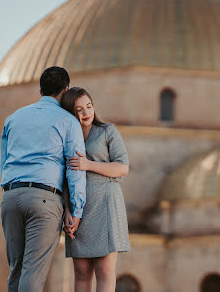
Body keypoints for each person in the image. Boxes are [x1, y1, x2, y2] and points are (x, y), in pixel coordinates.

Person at [0, 66, 86, 292]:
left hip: (10, 196)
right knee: (33, 273)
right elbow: (75, 166)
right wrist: (76, 210)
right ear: (65, 90)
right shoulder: (69, 121)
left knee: (15, 270)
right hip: (44, 199)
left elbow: (4, 161)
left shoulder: (13, 119)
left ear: (40, 91)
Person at [61, 87, 130, 292]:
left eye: (89, 106)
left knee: (105, 272)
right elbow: (63, 178)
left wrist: (88, 164)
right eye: (79, 109)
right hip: (77, 209)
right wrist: (67, 210)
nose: (86, 113)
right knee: (81, 274)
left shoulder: (108, 131)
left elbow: (122, 167)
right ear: (70, 112)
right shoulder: (67, 138)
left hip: (106, 206)